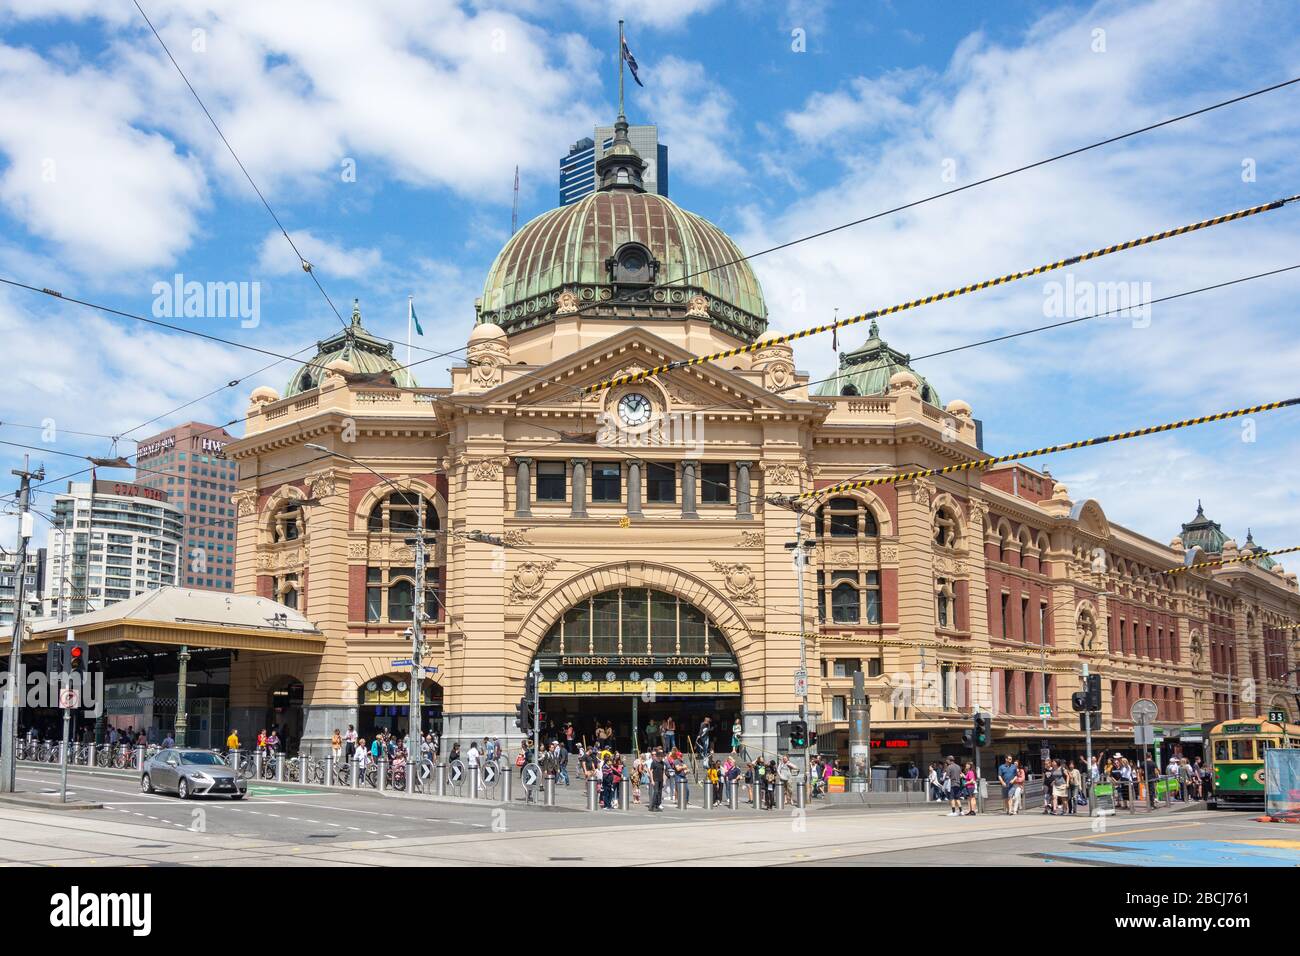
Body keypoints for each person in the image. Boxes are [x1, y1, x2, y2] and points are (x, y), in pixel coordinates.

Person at [648, 747, 666, 812]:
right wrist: (652, 780)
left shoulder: (662, 763)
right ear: (658, 756)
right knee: (655, 792)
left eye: (662, 756)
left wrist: (664, 780)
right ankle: (652, 806)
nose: (662, 757)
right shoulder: (654, 762)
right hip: (655, 779)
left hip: (661, 780)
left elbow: (663, 772)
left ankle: (658, 805)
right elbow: (651, 771)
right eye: (661, 756)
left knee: (659, 793)